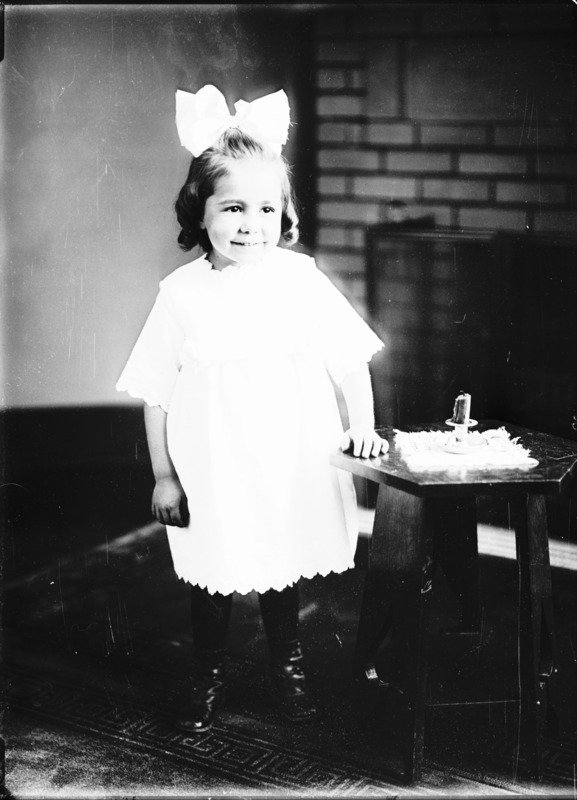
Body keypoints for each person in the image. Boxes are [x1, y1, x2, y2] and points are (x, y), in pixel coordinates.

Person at [116, 85, 389, 733]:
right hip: (213, 468)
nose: (251, 224)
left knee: (280, 566)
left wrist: (363, 426)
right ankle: (206, 676)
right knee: (211, 573)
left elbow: (350, 357)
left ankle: (286, 671)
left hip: (287, 462)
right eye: (233, 207)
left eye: (267, 208)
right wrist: (164, 476)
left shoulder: (300, 281)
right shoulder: (181, 294)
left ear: (284, 213)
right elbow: (156, 392)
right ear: (199, 210)